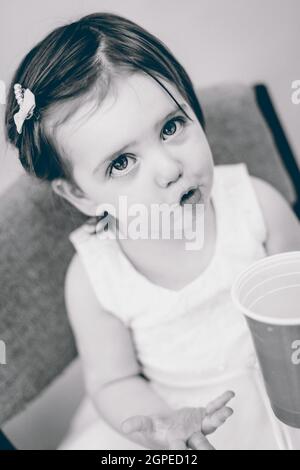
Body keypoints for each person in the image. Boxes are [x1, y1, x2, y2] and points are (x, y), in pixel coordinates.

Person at [4, 12, 300, 450]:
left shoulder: (257, 206)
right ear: (81, 195)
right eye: (122, 163)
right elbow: (113, 381)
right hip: (183, 422)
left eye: (171, 126)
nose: (169, 167)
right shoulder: (95, 277)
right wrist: (162, 425)